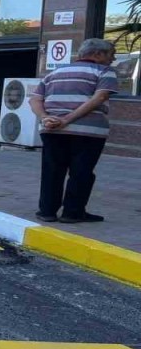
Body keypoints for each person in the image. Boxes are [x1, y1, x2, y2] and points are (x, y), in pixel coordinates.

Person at [30, 38, 119, 224]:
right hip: (87, 131)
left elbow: (35, 100)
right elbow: (100, 97)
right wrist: (67, 120)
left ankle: (46, 211)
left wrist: (45, 118)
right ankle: (73, 213)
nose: (113, 58)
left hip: (51, 131)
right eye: (111, 54)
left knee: (52, 170)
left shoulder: (54, 72)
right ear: (98, 54)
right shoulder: (105, 71)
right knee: (81, 171)